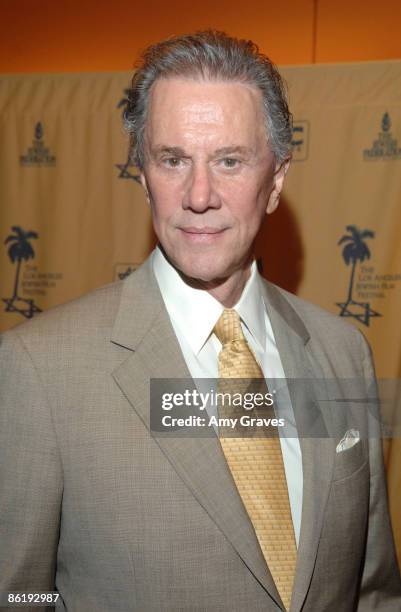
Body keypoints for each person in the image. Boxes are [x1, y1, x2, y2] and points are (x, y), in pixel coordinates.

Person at [0, 30, 400, 612]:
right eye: (173, 160)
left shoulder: (344, 354)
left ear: (277, 180)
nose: (199, 195)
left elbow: (372, 590)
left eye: (230, 160)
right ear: (142, 175)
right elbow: (19, 595)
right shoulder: (40, 369)